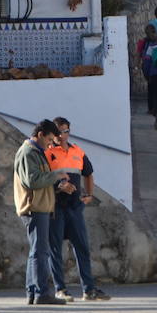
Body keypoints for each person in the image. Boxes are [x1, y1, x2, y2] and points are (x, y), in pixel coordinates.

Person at [46, 118, 111, 302]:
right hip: (55, 206)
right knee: (55, 249)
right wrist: (59, 186)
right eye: (58, 132)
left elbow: (88, 173)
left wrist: (89, 194)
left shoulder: (77, 151)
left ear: (69, 132)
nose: (61, 136)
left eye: (65, 131)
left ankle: (88, 289)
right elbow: (43, 178)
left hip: (75, 207)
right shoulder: (47, 153)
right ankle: (60, 289)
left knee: (82, 247)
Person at [15, 119, 75, 305]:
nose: (50, 144)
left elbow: (40, 182)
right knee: (40, 252)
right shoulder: (28, 152)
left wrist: (58, 187)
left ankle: (33, 292)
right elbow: (32, 181)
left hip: (39, 206)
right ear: (40, 134)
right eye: (49, 139)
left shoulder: (37, 152)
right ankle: (42, 293)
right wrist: (56, 175)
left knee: (36, 251)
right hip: (35, 208)